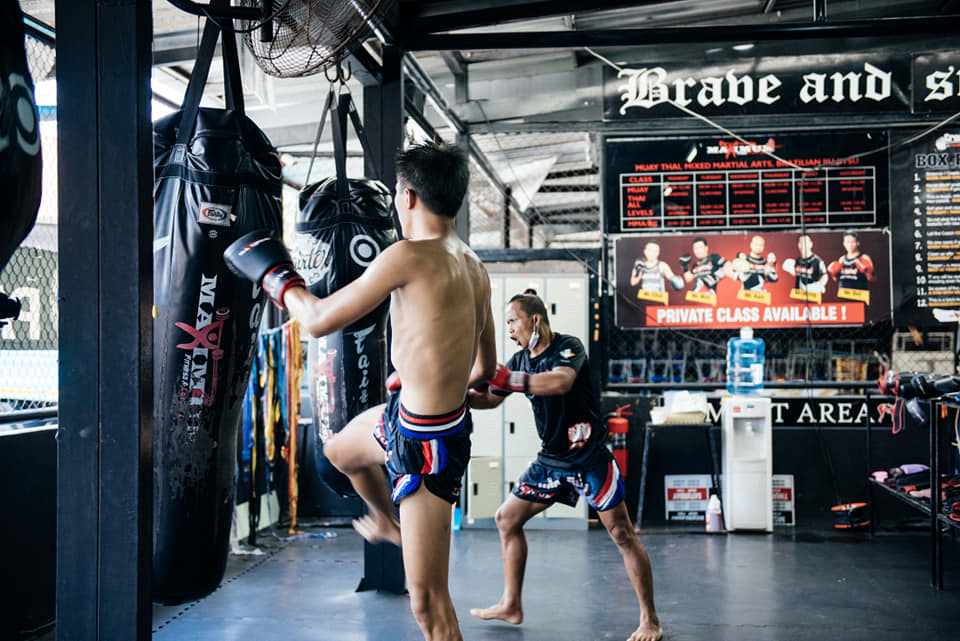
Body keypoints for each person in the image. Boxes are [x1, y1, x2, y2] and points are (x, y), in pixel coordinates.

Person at [224, 142, 499, 641]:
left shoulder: (407, 256)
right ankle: (388, 522)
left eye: (397, 190)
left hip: (427, 445)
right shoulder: (473, 266)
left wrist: (275, 275)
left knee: (428, 603)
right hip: (407, 418)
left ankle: (397, 527)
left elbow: (319, 319)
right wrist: (425, 371)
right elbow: (486, 367)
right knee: (339, 453)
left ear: (410, 196)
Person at [467, 290, 662, 641]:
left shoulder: (569, 347)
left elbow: (560, 382)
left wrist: (512, 380)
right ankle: (511, 604)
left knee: (621, 533)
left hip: (589, 457)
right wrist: (440, 395)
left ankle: (650, 619)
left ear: (535, 320)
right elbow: (489, 401)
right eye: (507, 322)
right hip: (552, 461)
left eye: (513, 321)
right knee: (506, 519)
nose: (509, 328)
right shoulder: (519, 360)